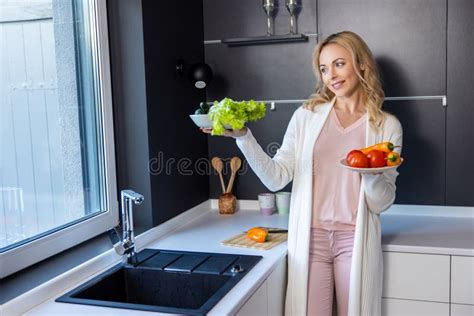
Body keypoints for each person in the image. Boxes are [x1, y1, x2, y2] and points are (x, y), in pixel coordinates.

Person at [202, 31, 403, 316]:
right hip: (311, 239)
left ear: (361, 65)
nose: (330, 75)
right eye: (323, 68)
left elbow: (381, 203)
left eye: (339, 64)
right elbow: (276, 177)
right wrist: (244, 137)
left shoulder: (386, 126)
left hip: (354, 239)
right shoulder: (307, 116)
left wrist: (370, 173)